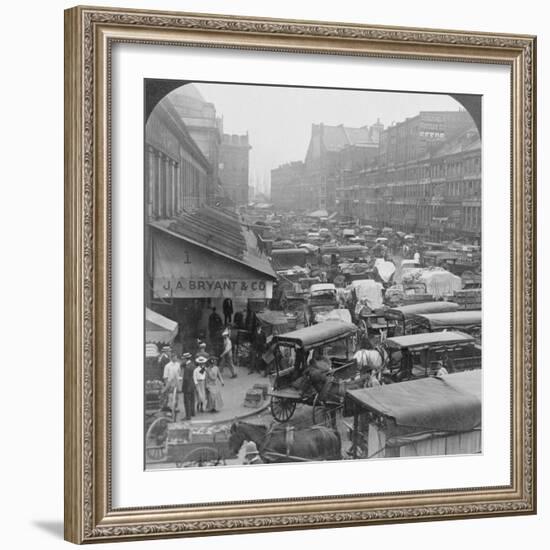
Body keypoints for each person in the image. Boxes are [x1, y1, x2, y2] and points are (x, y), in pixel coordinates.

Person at [180, 353, 196, 419]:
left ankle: (188, 416)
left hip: (187, 386)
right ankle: (192, 412)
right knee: (192, 399)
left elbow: (186, 378)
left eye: (183, 359)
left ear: (186, 359)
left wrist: (182, 386)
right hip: (193, 384)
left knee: (187, 401)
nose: (182, 360)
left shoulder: (187, 367)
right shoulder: (193, 365)